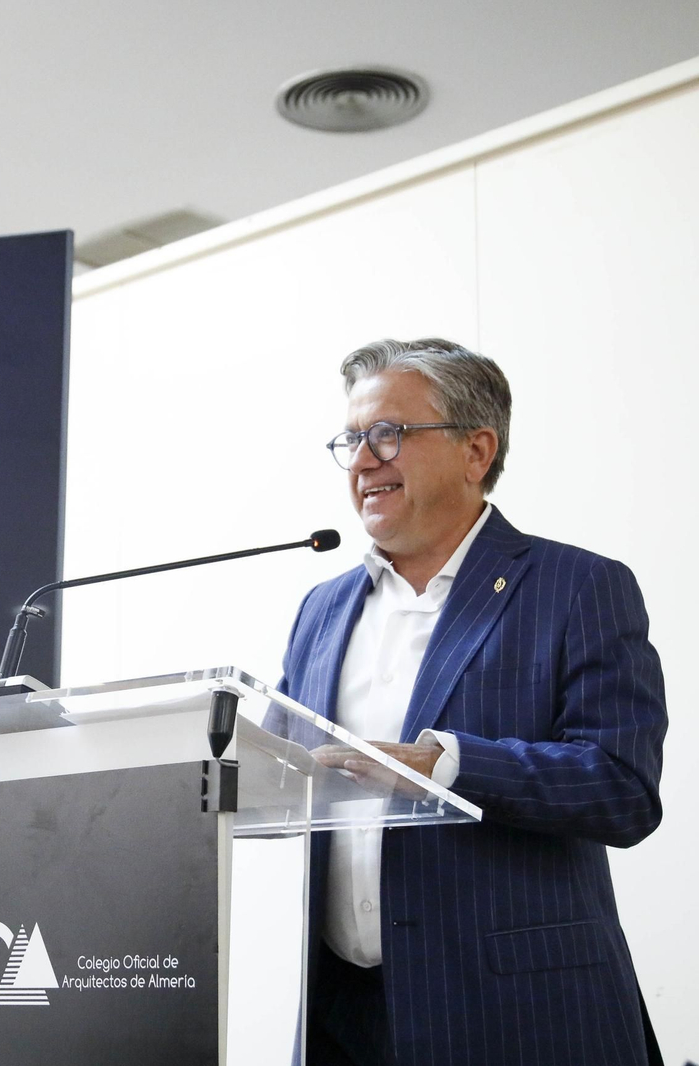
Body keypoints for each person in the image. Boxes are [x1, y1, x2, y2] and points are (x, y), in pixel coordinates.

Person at [276, 338, 667, 1066]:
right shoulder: (320, 610)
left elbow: (623, 789)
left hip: (510, 1014)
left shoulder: (576, 588)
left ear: (475, 450)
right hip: (338, 1018)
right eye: (352, 440)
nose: (363, 461)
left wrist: (447, 766)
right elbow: (273, 778)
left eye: (387, 435)